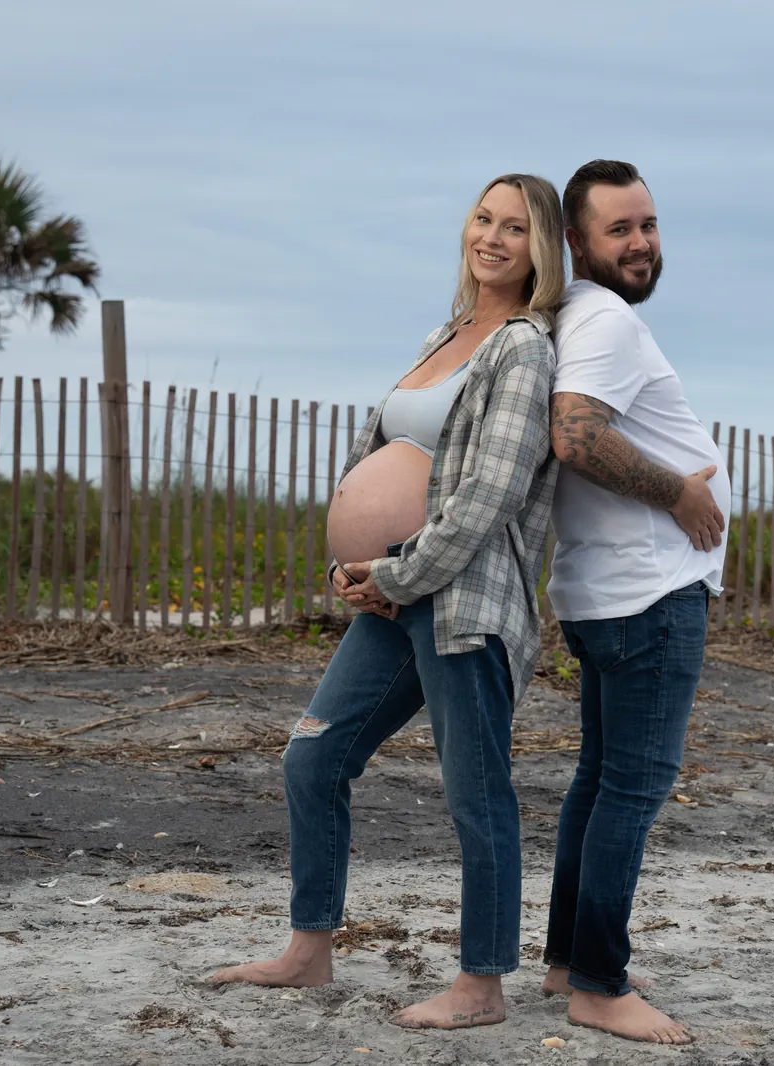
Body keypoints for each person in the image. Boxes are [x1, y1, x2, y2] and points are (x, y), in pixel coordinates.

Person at [212, 173, 565, 1032]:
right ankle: (309, 950)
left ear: (541, 249)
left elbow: (490, 494)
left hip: (459, 602)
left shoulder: (521, 348)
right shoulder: (447, 334)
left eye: (515, 228)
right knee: (313, 759)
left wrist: (399, 573)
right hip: (389, 597)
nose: (492, 238)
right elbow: (383, 451)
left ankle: (482, 986)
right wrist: (350, 567)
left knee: (475, 791)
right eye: (482, 219)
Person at [539, 159, 729, 1045]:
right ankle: (601, 987)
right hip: (649, 593)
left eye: (648, 224)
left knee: (599, 781)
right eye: (620, 229)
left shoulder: (573, 316)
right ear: (577, 243)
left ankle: (568, 961)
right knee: (634, 787)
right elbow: (577, 433)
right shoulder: (604, 317)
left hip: (608, 591)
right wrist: (680, 496)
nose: (643, 243)